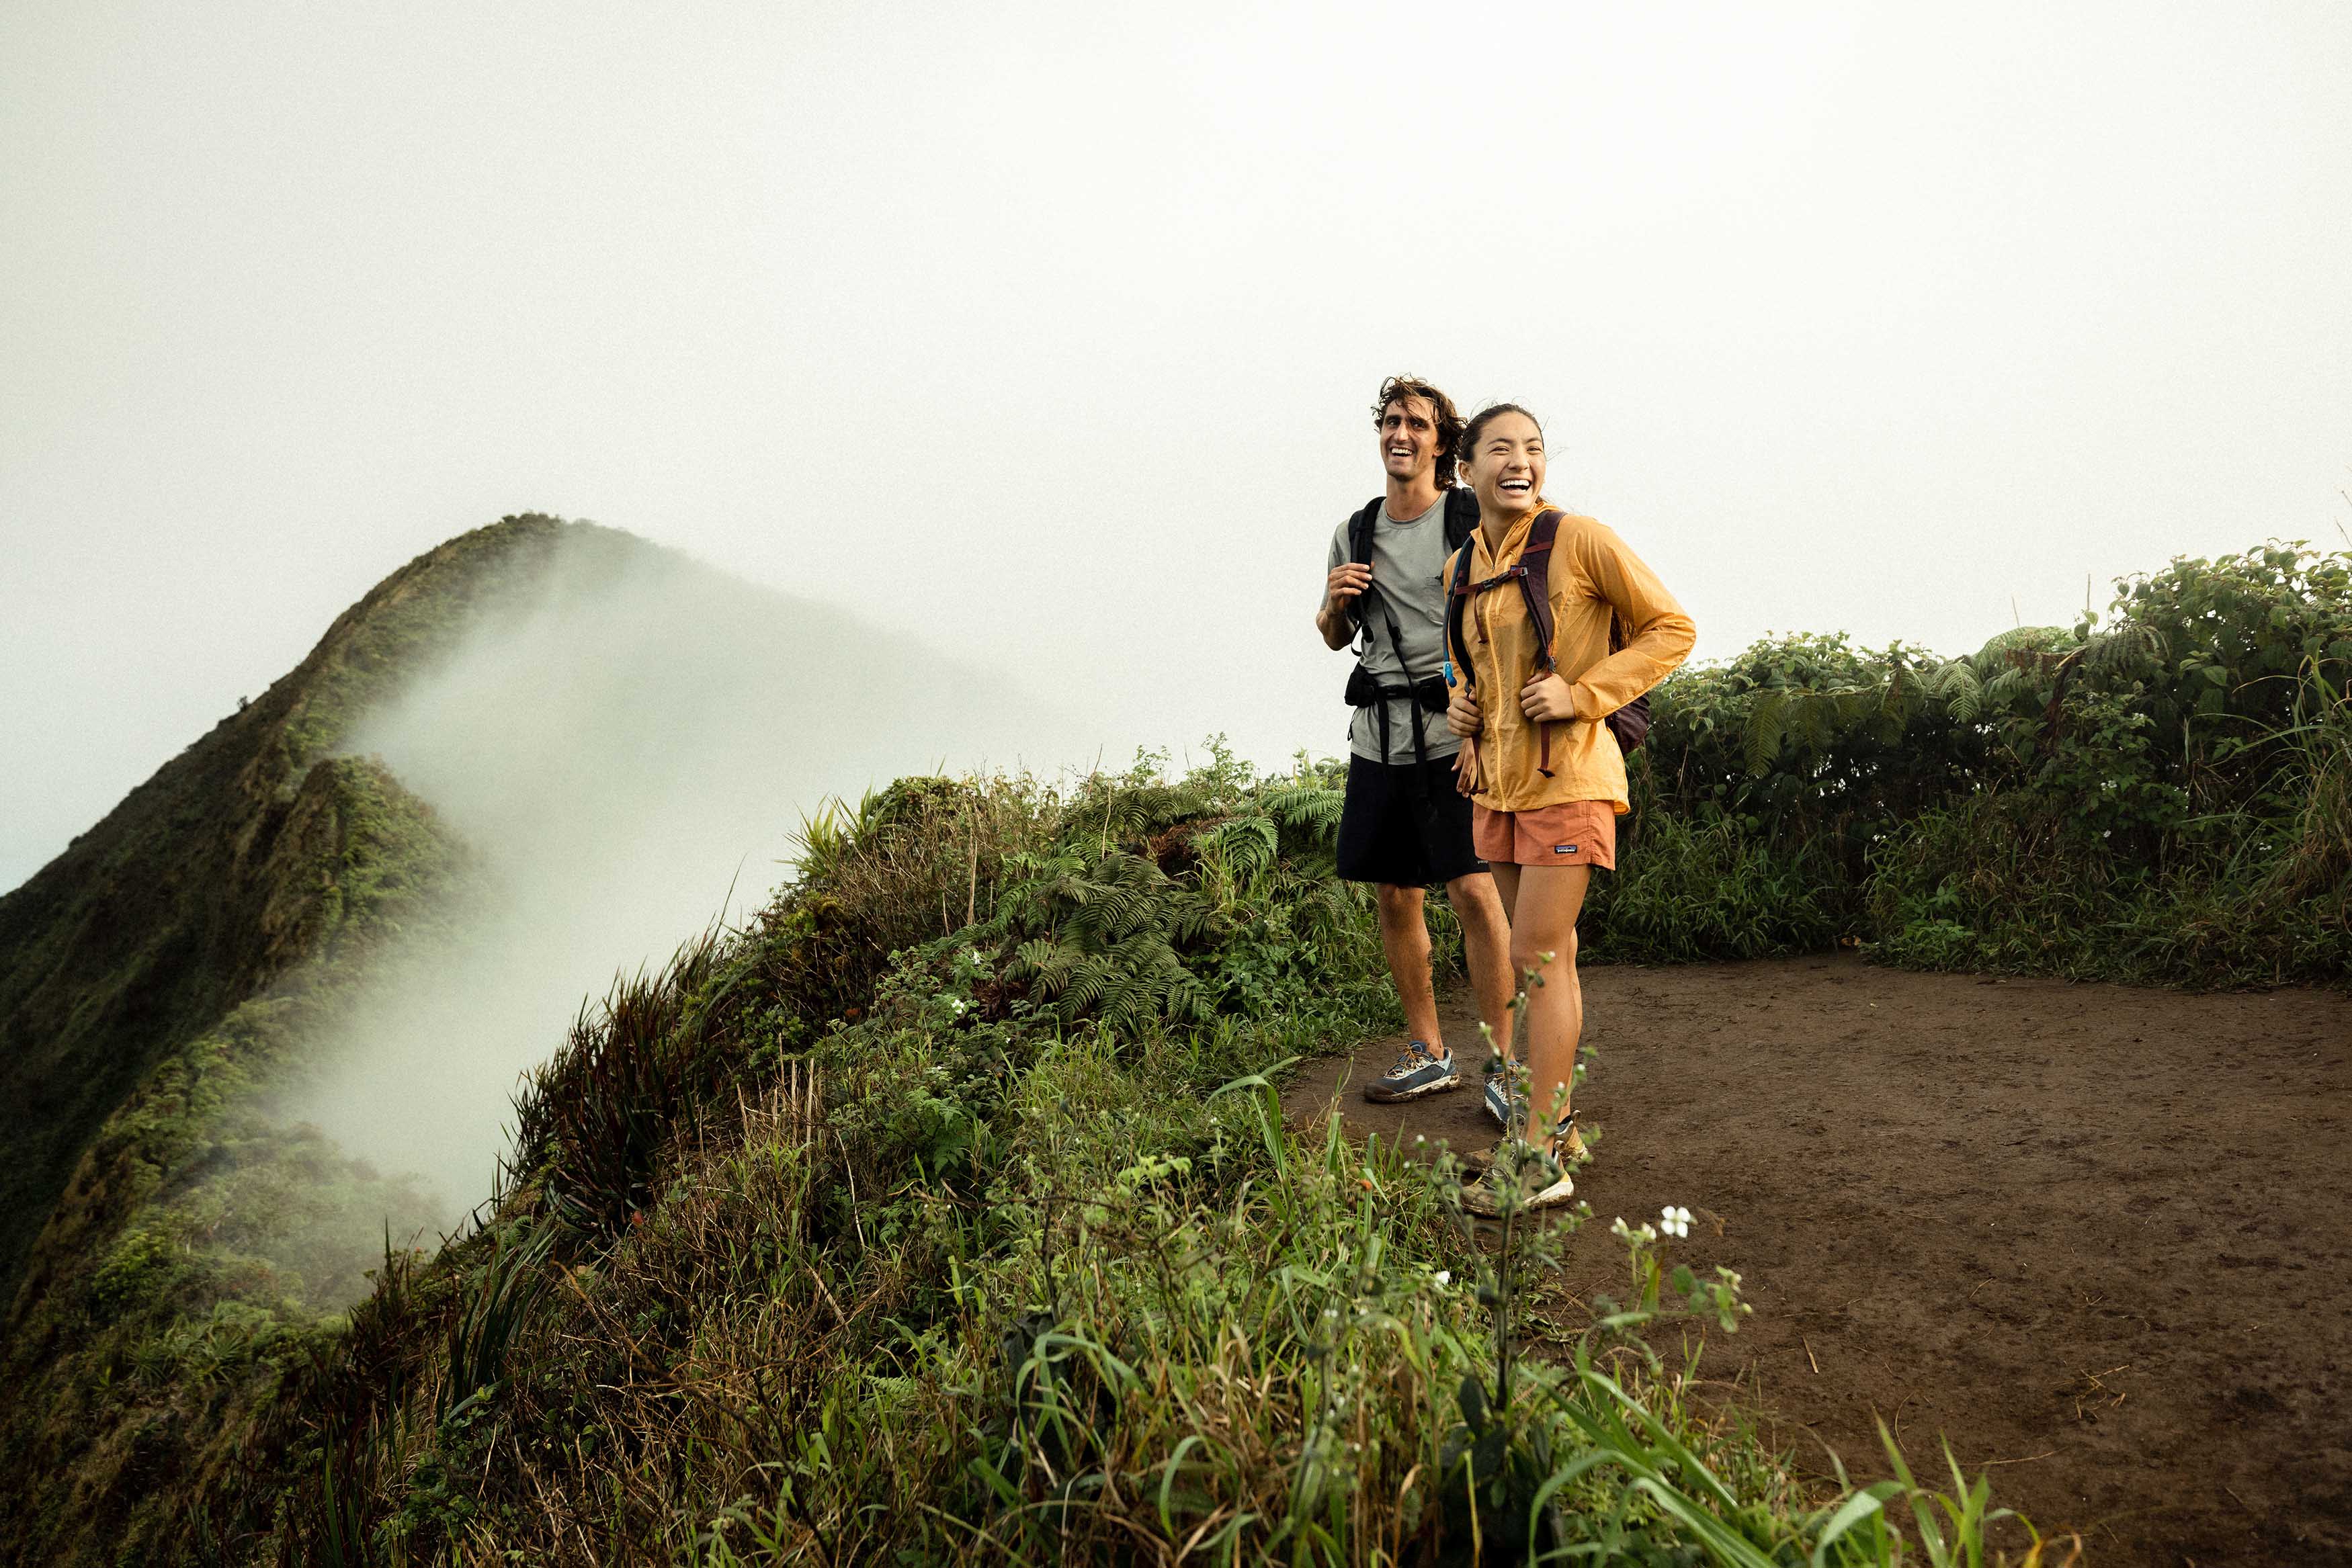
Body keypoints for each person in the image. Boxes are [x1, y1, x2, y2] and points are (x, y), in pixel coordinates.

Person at [1442, 403, 1695, 1214]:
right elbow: (1468, 661)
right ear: (1465, 469)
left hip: (1571, 778)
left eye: (1534, 450)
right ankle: (1558, 1126)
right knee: (1546, 960)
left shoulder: (1579, 538)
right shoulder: (1459, 567)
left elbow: (1671, 629)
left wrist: (1583, 694)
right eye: (1500, 450)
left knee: (1537, 958)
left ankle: (1537, 1154)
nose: (1520, 462)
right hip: (1499, 784)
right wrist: (1460, 708)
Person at [1316, 376, 1515, 1110]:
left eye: (1417, 425)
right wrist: (1334, 603)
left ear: (1442, 443)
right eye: (1391, 422)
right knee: (1395, 894)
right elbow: (1337, 637)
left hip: (1455, 731)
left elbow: (1500, 629)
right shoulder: (1355, 530)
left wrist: (1481, 728)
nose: (1401, 434)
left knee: (1471, 888)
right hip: (1377, 738)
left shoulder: (1468, 520)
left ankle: (1501, 1064)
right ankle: (1429, 1052)